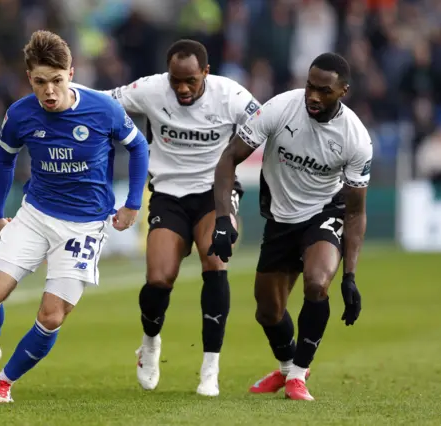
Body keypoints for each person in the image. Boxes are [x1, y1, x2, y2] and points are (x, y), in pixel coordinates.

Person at [0, 30, 149, 403]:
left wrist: (133, 203)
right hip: (35, 214)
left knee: (51, 316)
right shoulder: (19, 114)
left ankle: (3, 381)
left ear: (71, 72)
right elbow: (4, 157)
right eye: (39, 82)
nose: (49, 91)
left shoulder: (102, 109)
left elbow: (138, 146)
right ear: (29, 78)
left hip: (84, 224)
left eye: (56, 80)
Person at [209, 53, 371, 401]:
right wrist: (223, 217)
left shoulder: (355, 138)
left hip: (324, 213)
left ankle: (299, 375)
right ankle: (286, 369)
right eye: (310, 86)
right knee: (268, 312)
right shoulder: (279, 108)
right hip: (280, 218)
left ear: (343, 91)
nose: (313, 96)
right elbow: (228, 158)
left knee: (316, 283)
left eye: (324, 91)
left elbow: (356, 212)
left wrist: (350, 277)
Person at [104, 39, 260, 396]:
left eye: (191, 80)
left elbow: (269, 122)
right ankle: (150, 344)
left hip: (214, 193)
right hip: (168, 195)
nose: (183, 88)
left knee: (216, 262)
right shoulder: (150, 89)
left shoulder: (231, 96)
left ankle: (210, 368)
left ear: (206, 72)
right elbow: (103, 100)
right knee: (159, 279)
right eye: (176, 80)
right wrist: (62, 87)